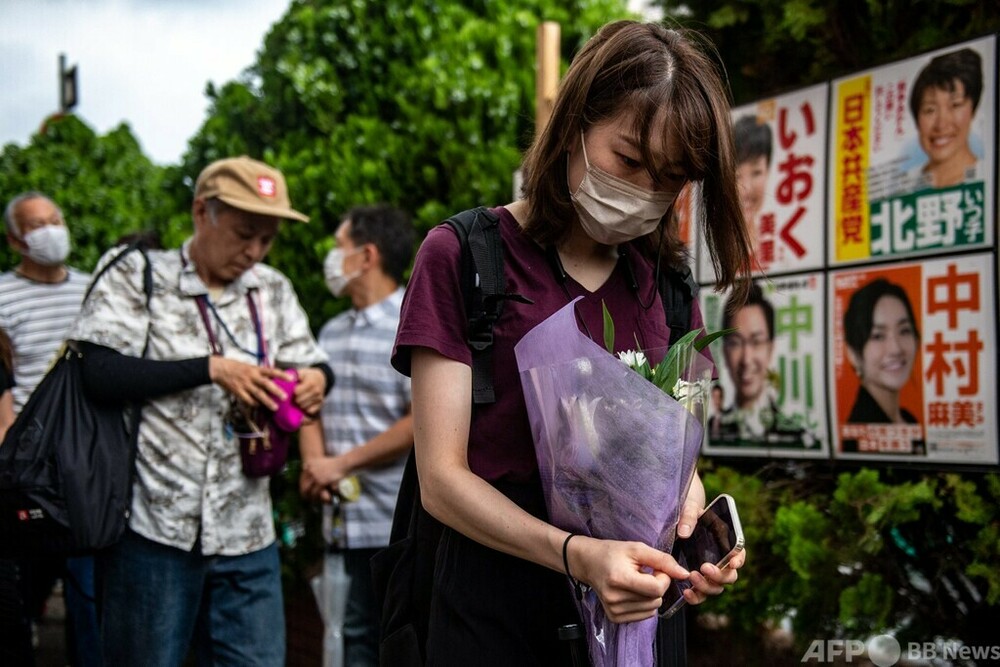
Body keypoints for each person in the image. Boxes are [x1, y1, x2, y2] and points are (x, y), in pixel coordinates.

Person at [390, 20, 753, 663]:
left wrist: (691, 517)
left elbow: (677, 457)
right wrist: (579, 556)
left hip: (636, 617)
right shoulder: (466, 257)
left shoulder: (666, 282)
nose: (642, 192)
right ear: (575, 124)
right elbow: (441, 481)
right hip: (495, 615)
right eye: (629, 160)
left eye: (668, 178)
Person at [68, 155, 333, 665]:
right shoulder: (138, 274)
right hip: (153, 530)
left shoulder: (271, 289)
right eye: (243, 233)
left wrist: (315, 382)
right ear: (200, 212)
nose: (254, 251)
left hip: (248, 530)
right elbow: (97, 373)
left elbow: (313, 364)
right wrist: (211, 369)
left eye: (267, 239)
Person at [299, 204, 415, 666]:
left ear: (366, 255)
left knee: (387, 640)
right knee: (348, 640)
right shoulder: (329, 332)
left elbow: (421, 420)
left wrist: (341, 464)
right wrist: (314, 465)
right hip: (339, 523)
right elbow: (309, 406)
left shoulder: (409, 322)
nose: (332, 258)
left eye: (337, 248)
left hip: (391, 522)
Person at [1, 191, 98, 667]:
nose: (51, 230)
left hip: (83, 458)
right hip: (25, 463)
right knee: (25, 579)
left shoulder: (91, 289)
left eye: (55, 219)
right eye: (37, 224)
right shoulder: (2, 295)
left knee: (89, 587)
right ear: (15, 240)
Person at [716, 282, 810, 447]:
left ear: (771, 348)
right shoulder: (713, 430)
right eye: (735, 343)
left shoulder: (794, 435)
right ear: (724, 351)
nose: (746, 359)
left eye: (757, 341)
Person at [842, 278, 923, 454]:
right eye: (878, 336)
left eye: (904, 330)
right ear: (853, 354)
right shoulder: (857, 436)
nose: (896, 349)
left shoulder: (910, 421)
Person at [907, 47, 984, 190]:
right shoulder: (902, 188)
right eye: (930, 110)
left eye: (955, 105)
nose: (941, 124)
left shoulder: (988, 179)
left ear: (973, 109)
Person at [732, 114, 772, 240]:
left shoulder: (780, 254)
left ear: (767, 171)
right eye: (737, 175)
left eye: (756, 172)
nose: (747, 189)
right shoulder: (708, 255)